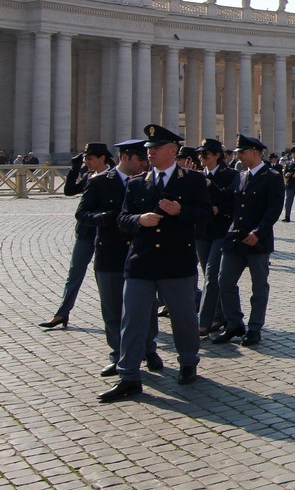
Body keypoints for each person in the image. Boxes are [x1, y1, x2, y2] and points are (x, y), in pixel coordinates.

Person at [99, 124, 211, 402]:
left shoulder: (193, 180)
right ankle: (129, 376)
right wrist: (139, 220)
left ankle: (188, 362)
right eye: (148, 149)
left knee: (183, 318)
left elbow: (207, 215)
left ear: (172, 151)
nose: (149, 153)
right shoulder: (137, 182)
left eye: (156, 148)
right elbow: (123, 218)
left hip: (176, 262)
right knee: (133, 320)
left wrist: (181, 210)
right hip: (141, 263)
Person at [83, 140, 158, 377]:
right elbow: (82, 213)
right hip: (110, 253)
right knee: (113, 309)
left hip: (139, 254)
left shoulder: (148, 183)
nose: (144, 165)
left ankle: (149, 350)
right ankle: (118, 355)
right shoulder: (99, 183)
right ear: (126, 157)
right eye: (140, 160)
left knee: (146, 308)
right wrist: (101, 217)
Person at [210, 134, 284, 347]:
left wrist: (258, 233)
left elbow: (273, 210)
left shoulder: (272, 176)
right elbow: (230, 201)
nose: (238, 156)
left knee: (259, 287)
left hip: (257, 241)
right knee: (224, 281)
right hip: (235, 239)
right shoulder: (239, 176)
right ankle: (234, 323)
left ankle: (254, 328)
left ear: (254, 152)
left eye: (241, 152)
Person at [39, 143, 114, 329]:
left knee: (104, 278)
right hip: (85, 232)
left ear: (102, 158)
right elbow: (70, 191)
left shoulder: (114, 177)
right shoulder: (89, 176)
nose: (86, 162)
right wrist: (74, 169)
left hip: (106, 233)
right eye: (85, 159)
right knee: (74, 274)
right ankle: (62, 313)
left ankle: (113, 317)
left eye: (89, 158)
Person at [195, 138, 239, 338]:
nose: (202, 157)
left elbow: (232, 201)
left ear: (217, 156)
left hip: (221, 230)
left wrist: (217, 205)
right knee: (208, 276)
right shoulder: (196, 176)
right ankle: (221, 315)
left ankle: (203, 322)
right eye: (200, 154)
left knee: (212, 275)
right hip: (202, 231)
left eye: (207, 154)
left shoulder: (231, 175)